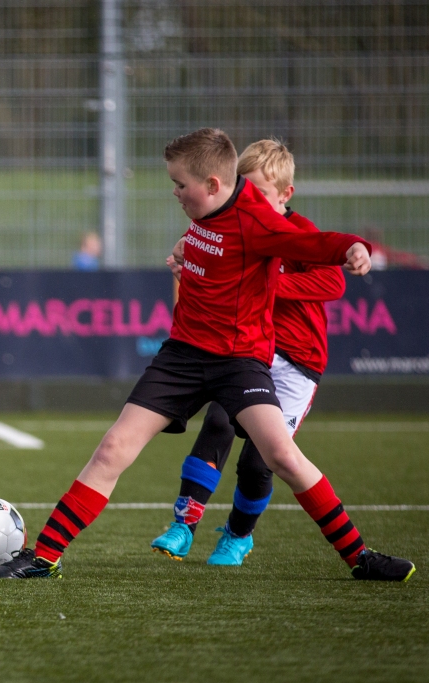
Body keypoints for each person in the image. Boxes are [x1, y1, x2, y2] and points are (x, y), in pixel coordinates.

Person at [0, 128, 415, 582]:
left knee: (281, 457)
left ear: (212, 184)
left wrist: (354, 247)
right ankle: (44, 557)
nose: (174, 192)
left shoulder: (257, 220)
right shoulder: (209, 205)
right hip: (183, 357)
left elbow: (315, 243)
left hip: (239, 362)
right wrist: (184, 251)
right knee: (113, 448)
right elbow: (210, 249)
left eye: (180, 184)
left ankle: (359, 557)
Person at [150, 139, 346, 566]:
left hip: (297, 363)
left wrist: (267, 284)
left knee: (261, 462)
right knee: (217, 423)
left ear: (285, 194)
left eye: (260, 191)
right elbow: (205, 248)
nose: (248, 197)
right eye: (245, 187)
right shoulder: (230, 221)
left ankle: (238, 535)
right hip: (248, 352)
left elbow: (333, 282)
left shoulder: (296, 232)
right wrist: (185, 257)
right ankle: (184, 525)